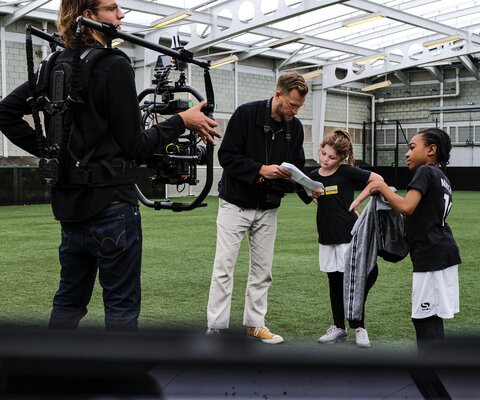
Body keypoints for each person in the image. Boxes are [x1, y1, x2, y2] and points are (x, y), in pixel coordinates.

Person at [0, 0, 219, 331]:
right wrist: (180, 121)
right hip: (112, 208)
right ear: (89, 16)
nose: (121, 15)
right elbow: (136, 147)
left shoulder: (53, 64)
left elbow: (5, 112)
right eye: (112, 8)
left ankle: (52, 365)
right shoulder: (114, 65)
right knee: (121, 309)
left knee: (68, 302)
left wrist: (52, 153)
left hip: (70, 209)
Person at [206, 71, 323, 344]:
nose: (295, 111)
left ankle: (255, 324)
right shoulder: (245, 114)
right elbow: (226, 156)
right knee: (224, 269)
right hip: (234, 204)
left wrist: (309, 191)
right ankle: (215, 329)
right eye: (292, 105)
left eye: (300, 107)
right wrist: (260, 170)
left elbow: (296, 168)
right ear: (278, 94)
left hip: (268, 207)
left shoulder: (295, 127)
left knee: (263, 271)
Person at [366, 128, 461, 352]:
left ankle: (428, 368)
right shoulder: (443, 177)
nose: (407, 154)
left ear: (431, 150)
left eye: (412, 147)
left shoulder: (425, 172)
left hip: (432, 255)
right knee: (432, 316)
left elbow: (407, 207)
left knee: (423, 318)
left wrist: (382, 188)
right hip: (443, 252)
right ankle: (435, 366)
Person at [307, 128, 383, 347]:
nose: (326, 159)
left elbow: (378, 180)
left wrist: (358, 201)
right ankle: (339, 328)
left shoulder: (347, 171)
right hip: (326, 236)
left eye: (332, 157)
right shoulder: (313, 176)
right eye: (323, 154)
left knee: (354, 283)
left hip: (347, 236)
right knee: (334, 283)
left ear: (341, 157)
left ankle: (359, 327)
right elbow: (309, 195)